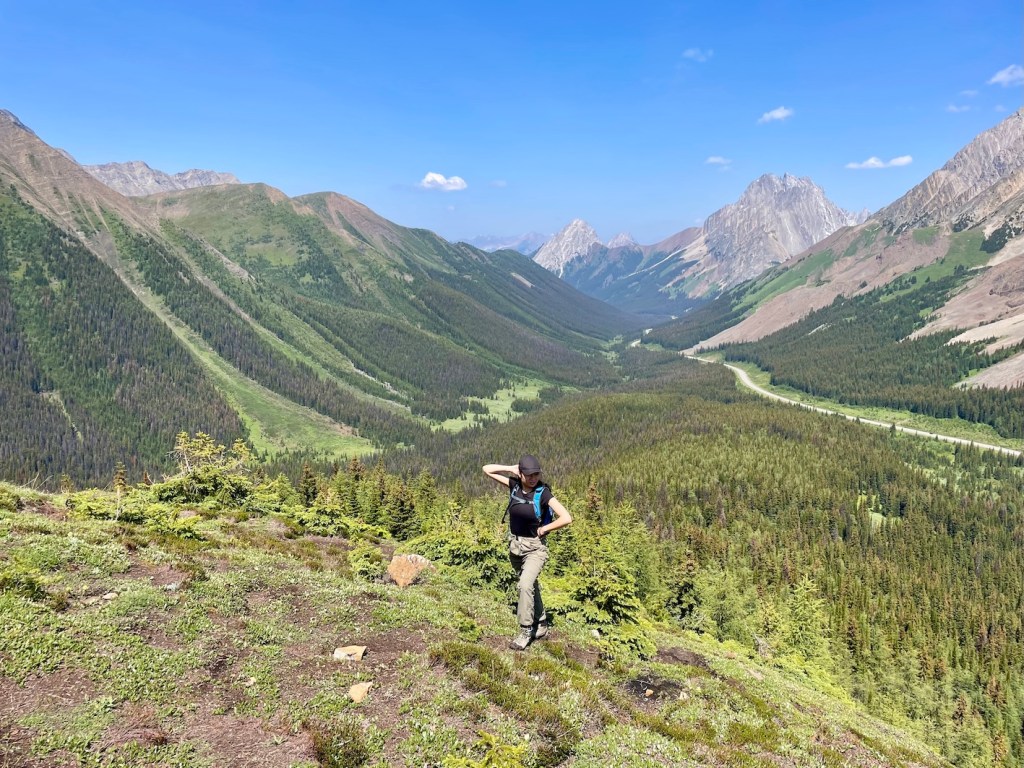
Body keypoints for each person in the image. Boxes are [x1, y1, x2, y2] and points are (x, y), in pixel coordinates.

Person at [483, 455, 572, 650]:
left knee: (524, 585)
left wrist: (545, 529)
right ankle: (541, 623)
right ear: (521, 473)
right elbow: (486, 469)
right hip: (515, 546)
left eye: (536, 474)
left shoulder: (544, 493)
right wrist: (510, 468)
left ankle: (525, 630)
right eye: (529, 475)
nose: (533, 478)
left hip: (535, 548)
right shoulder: (514, 485)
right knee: (530, 585)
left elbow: (566, 517)